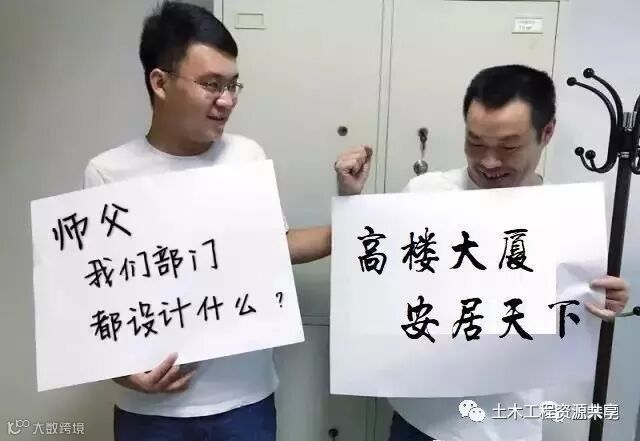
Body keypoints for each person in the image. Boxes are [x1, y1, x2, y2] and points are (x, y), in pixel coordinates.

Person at [82, 2, 370, 440]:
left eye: (233, 85)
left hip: (244, 402)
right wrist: (120, 371)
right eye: (211, 84)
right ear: (160, 82)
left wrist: (350, 209)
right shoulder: (108, 173)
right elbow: (96, 294)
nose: (227, 100)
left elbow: (271, 246)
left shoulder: (246, 156)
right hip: (152, 412)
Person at [335, 64, 630, 441]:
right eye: (475, 143)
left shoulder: (567, 220)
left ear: (547, 133)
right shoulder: (425, 195)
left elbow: (575, 315)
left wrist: (605, 300)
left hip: (505, 423)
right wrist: (351, 203)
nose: (489, 161)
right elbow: (370, 283)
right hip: (422, 418)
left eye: (509, 147)